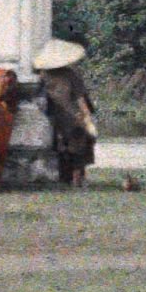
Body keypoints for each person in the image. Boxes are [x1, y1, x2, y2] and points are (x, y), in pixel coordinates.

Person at [32, 38, 98, 187]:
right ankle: (77, 178)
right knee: (81, 146)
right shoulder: (71, 75)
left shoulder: (44, 76)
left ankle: (66, 177)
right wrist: (87, 117)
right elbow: (80, 98)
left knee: (63, 147)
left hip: (56, 117)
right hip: (74, 116)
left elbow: (39, 97)